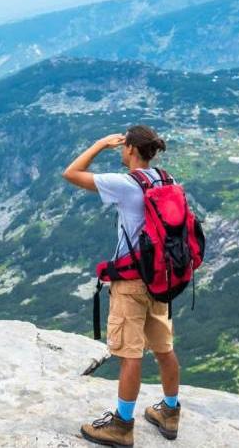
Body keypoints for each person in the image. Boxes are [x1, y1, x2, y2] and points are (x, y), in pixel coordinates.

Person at [63, 125, 182, 446]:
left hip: (130, 282)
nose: (119, 150)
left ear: (129, 148)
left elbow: (71, 173)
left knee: (130, 354)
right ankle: (169, 412)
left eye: (122, 146)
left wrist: (100, 142)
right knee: (163, 347)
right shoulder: (166, 179)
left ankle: (121, 424)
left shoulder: (125, 184)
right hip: (161, 278)